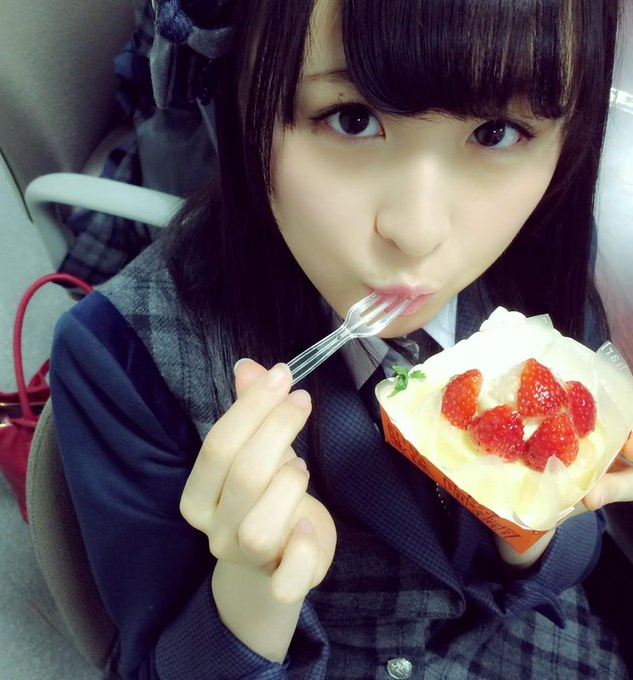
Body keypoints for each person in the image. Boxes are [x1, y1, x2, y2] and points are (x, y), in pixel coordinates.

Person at [49, 0, 633, 677]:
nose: (417, 232)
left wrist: (532, 518)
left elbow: (573, 557)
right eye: (352, 119)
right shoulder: (125, 356)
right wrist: (251, 594)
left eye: (497, 132)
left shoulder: (545, 258)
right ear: (242, 91)